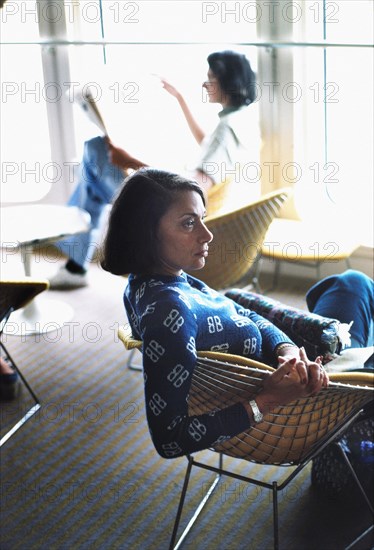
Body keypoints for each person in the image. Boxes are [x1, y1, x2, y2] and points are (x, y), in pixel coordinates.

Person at [100, 168, 335, 459]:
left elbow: (246, 314)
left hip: (297, 364)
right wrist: (268, 400)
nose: (207, 234)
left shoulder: (163, 279)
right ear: (145, 232)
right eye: (188, 223)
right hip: (306, 399)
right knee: (353, 285)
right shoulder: (169, 312)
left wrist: (287, 351)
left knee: (343, 286)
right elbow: (169, 440)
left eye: (203, 219)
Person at [50, 50, 259, 289]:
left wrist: (129, 161)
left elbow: (188, 191)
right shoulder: (240, 120)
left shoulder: (225, 132)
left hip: (181, 215)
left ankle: (75, 263)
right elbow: (208, 145)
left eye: (211, 78)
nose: (205, 84)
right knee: (94, 180)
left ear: (227, 82)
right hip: (203, 210)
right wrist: (180, 98)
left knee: (95, 151)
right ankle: (76, 265)